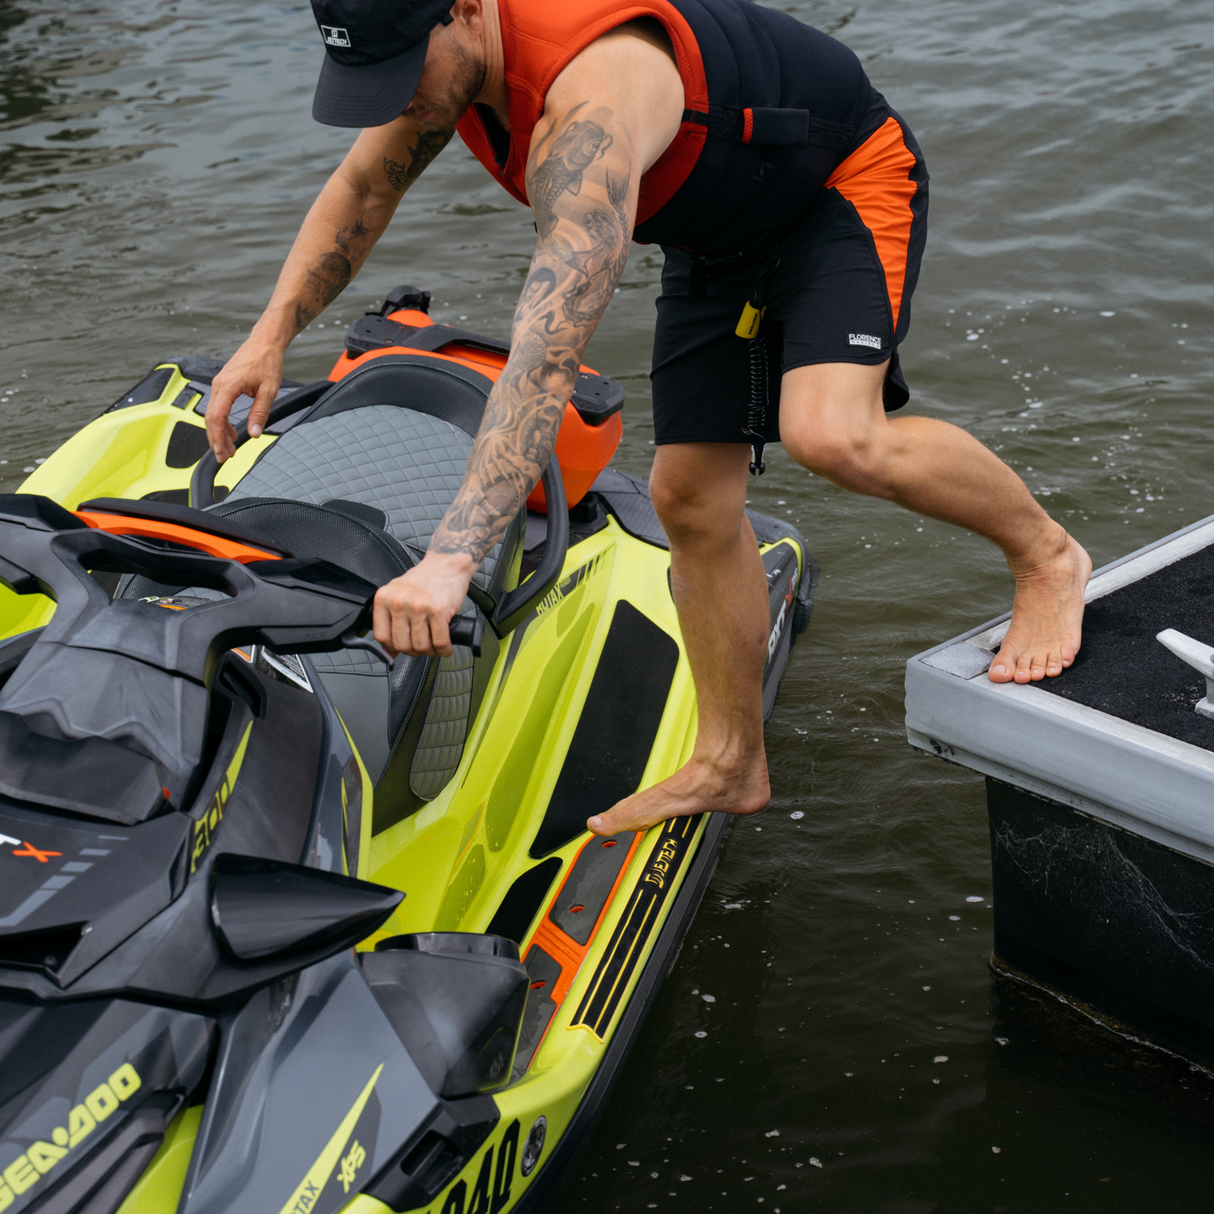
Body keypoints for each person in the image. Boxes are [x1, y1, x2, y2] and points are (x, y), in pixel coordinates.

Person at [205, 0, 1090, 838]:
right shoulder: (442, 62)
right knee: (690, 499)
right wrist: (267, 339)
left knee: (831, 432)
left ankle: (1048, 558)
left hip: (836, 187)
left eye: (405, 69)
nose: (396, 99)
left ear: (466, 7)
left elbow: (545, 355)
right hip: (716, 228)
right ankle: (731, 761)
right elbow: (363, 186)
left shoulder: (590, 107)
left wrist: (450, 560)